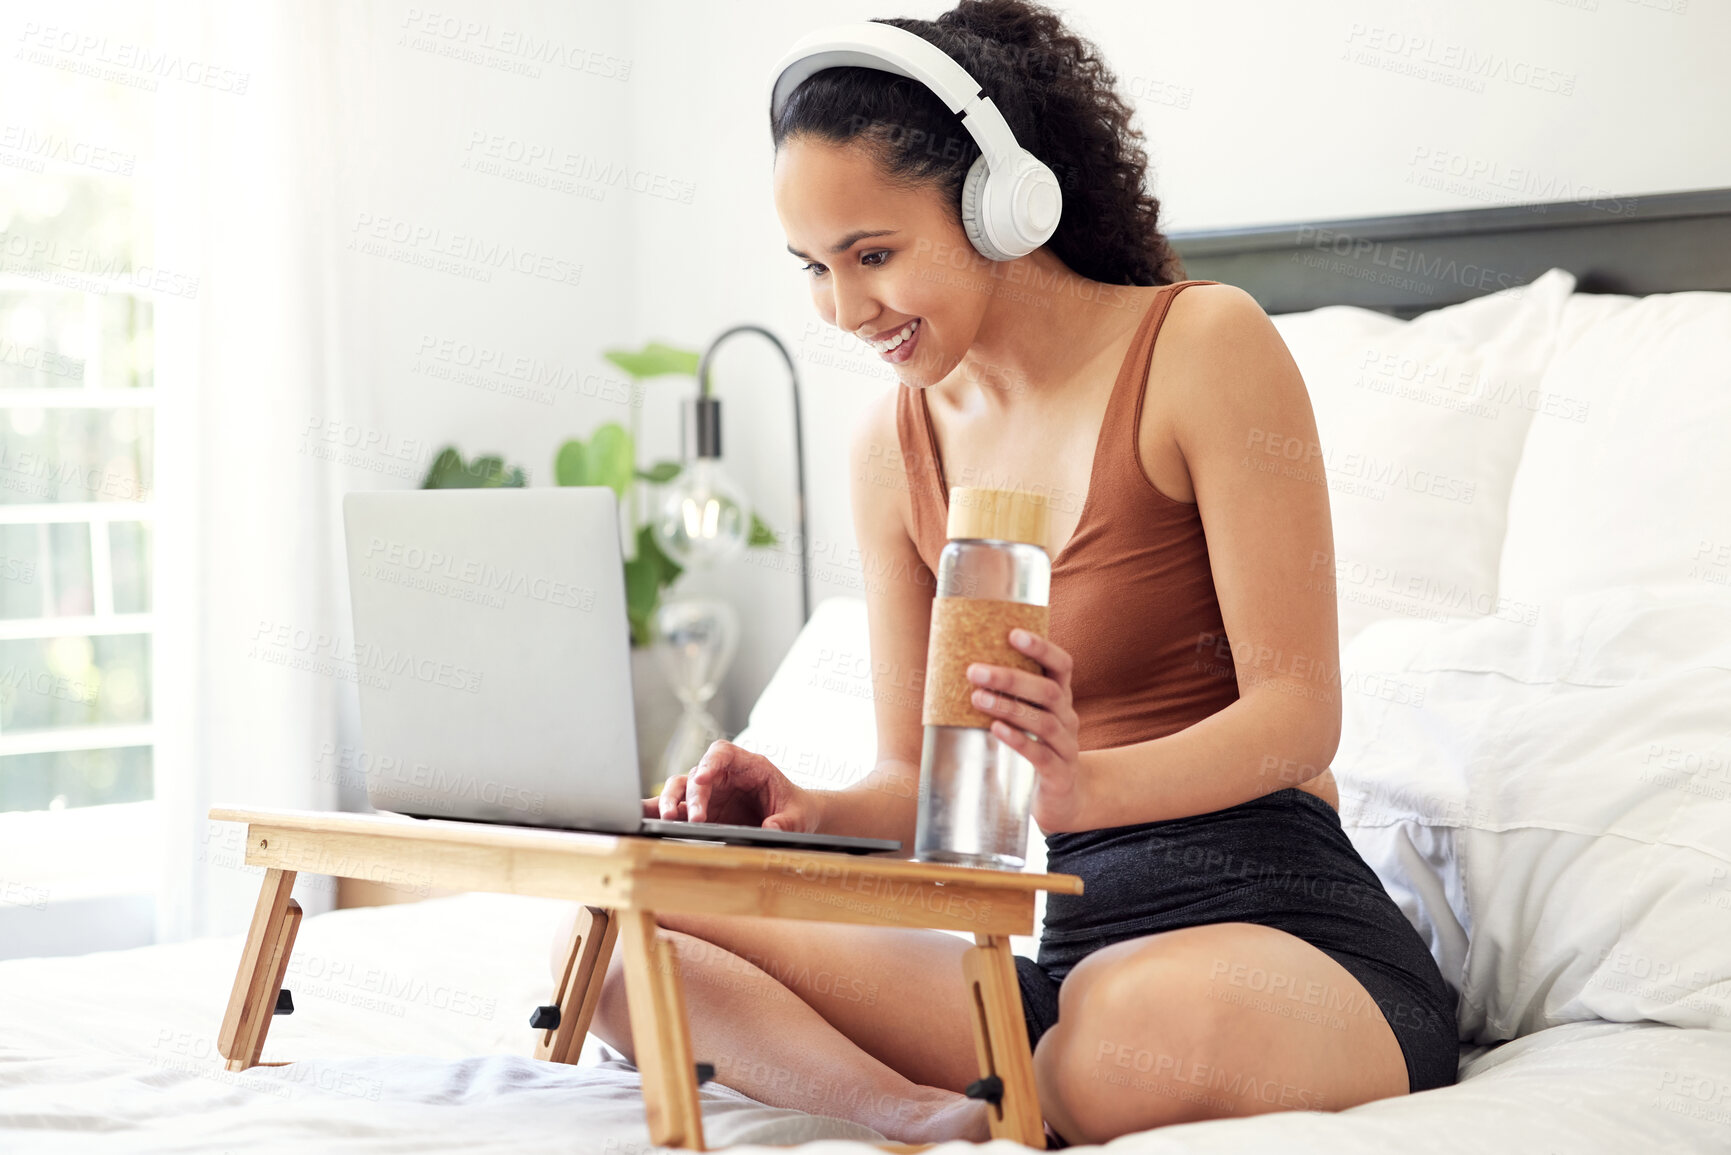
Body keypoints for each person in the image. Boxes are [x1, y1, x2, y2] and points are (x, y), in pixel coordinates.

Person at [558, 0, 1459, 1144]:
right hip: (1063, 957)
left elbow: (1299, 719)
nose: (844, 311)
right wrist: (803, 812)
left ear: (1002, 201)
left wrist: (1091, 790)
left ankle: (1032, 1084)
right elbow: (916, 787)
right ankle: (932, 1119)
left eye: (874, 256)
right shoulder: (895, 446)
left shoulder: (1203, 348)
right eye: (815, 268)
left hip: (1282, 940)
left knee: (1125, 1033)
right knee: (605, 938)